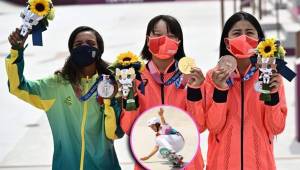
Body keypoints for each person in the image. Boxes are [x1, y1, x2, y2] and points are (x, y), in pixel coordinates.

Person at [6, 26, 124, 170]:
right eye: (78, 44)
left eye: (91, 43)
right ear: (71, 50)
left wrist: (109, 101)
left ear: (100, 49)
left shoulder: (112, 84)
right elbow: (17, 87)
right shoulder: (56, 85)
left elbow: (115, 133)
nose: (84, 47)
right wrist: (16, 51)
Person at [120, 15, 206, 169]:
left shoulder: (190, 76)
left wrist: (194, 90)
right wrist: (130, 98)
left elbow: (199, 126)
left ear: (179, 42)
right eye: (158, 35)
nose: (164, 40)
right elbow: (128, 128)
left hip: (188, 162)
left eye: (171, 35)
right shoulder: (135, 77)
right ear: (148, 40)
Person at [204, 12, 287, 170]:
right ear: (227, 42)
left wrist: (273, 96)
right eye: (237, 33)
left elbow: (276, 127)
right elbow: (213, 126)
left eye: (249, 33)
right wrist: (220, 91)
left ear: (260, 41)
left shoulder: (269, 76)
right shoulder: (213, 77)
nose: (244, 37)